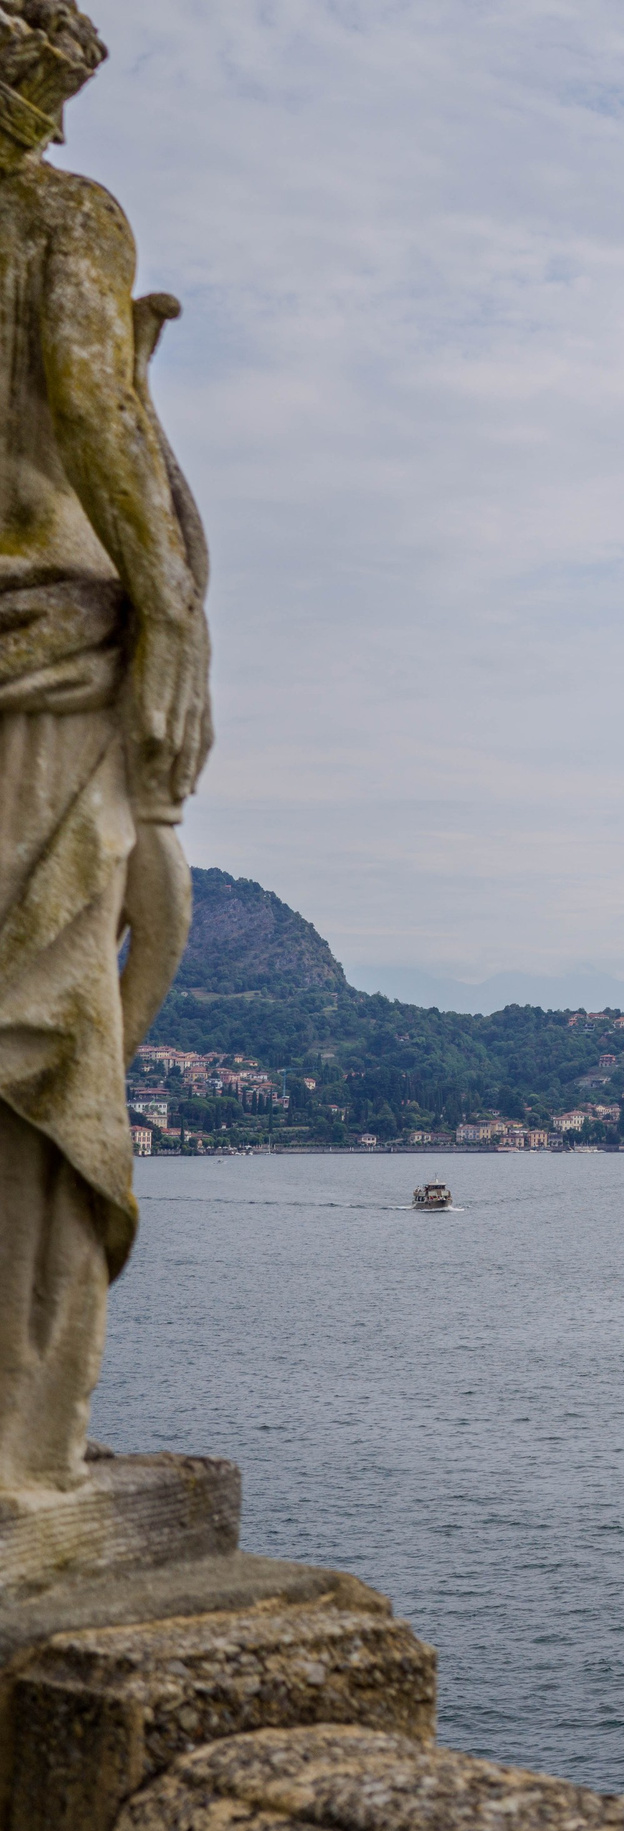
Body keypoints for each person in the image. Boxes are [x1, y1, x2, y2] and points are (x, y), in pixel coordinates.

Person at [0, 0, 211, 1491]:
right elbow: (88, 404)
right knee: (49, 1038)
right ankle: (28, 1452)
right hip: (50, 664)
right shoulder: (60, 221)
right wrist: (180, 616)